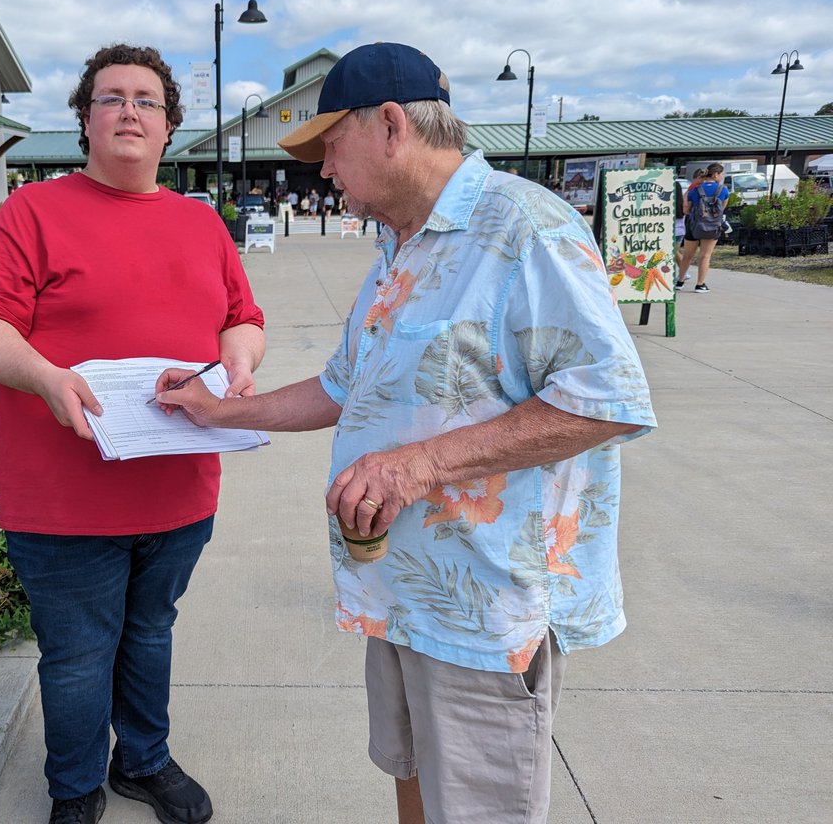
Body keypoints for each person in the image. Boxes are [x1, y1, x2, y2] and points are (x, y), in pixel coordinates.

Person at [153, 43, 656, 824]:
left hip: (485, 611)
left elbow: (607, 400)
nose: (323, 169)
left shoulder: (526, 227)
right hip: (401, 593)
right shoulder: (400, 246)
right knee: (412, 782)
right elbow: (343, 387)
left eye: (330, 145)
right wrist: (218, 411)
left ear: (391, 125)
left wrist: (415, 466)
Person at [0, 43, 265, 824]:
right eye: (112, 97)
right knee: (79, 655)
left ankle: (144, 761)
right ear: (85, 120)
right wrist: (46, 377)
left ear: (168, 128)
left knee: (151, 632)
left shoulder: (202, 224)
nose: (129, 110)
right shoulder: (32, 212)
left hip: (178, 488)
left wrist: (239, 356)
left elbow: (243, 317)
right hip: (63, 497)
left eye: (146, 100)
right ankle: (76, 788)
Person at [678, 162, 728, 293]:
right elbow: (722, 207)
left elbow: (687, 209)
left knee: (687, 255)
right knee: (705, 255)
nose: (722, 176)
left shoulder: (695, 190)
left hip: (693, 225)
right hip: (712, 226)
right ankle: (700, 284)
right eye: (722, 173)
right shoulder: (723, 190)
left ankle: (680, 281)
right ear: (716, 174)